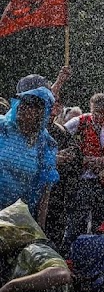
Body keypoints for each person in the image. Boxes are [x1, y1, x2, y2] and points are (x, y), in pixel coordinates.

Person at [63, 93, 104, 251]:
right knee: (76, 222)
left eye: (101, 113)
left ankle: (98, 254)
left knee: (103, 224)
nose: (96, 116)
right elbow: (60, 137)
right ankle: (70, 254)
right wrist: (77, 157)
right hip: (82, 181)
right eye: (94, 111)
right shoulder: (80, 122)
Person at [0, 85, 59, 230]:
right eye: (22, 103)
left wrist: (39, 229)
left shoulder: (45, 143)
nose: (22, 108)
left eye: (30, 106)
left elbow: (45, 191)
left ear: (41, 113)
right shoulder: (2, 128)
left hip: (18, 217)